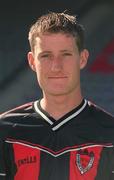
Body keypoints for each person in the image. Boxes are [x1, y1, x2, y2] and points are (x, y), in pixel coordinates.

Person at [0, 11, 114, 180]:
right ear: (32, 61)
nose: (56, 66)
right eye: (46, 56)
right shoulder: (5, 131)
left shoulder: (110, 133)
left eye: (66, 54)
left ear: (82, 59)